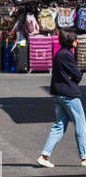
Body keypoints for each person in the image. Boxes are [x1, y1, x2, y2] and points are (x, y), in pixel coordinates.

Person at [37, 29, 86, 169]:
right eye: (76, 39)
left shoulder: (59, 53)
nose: (77, 41)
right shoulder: (67, 55)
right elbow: (77, 74)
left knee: (59, 126)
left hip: (58, 94)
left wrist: (73, 76)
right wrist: (75, 75)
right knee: (81, 124)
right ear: (71, 42)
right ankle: (84, 157)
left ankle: (44, 155)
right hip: (69, 94)